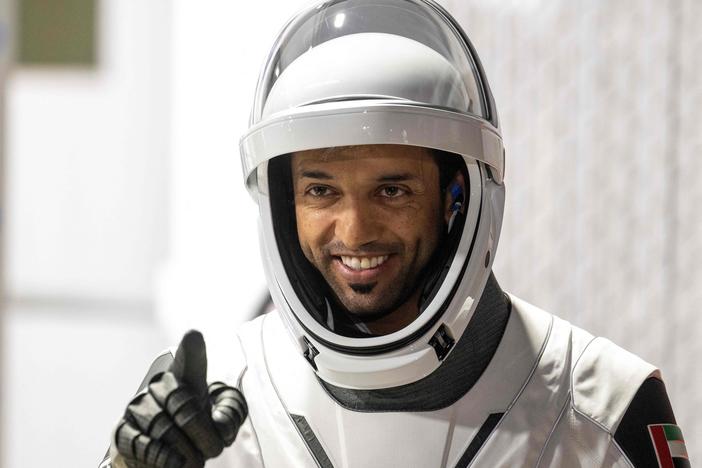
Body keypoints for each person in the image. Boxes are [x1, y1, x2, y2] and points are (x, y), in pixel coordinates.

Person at [101, 1, 690, 467]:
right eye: (321, 190)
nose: (354, 231)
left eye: (392, 190)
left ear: (457, 200)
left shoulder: (600, 409)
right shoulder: (214, 408)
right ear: (283, 204)